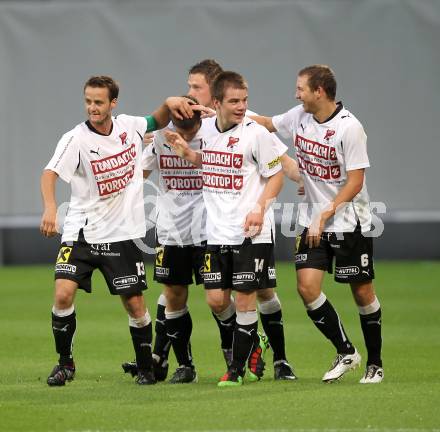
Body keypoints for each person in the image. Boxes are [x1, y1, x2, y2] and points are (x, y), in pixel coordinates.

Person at [40, 75, 197, 386]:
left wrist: (169, 103)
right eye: (88, 101)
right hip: (82, 232)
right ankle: (65, 364)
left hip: (122, 233)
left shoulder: (129, 126)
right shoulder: (76, 139)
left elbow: (156, 120)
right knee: (62, 293)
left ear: (113, 103)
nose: (92, 107)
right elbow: (50, 172)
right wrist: (50, 206)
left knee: (135, 304)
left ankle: (146, 369)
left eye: (99, 102)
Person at [251, 65, 383, 383]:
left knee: (362, 292)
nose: (297, 94)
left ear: (319, 91)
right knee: (307, 288)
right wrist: (225, 108)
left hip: (350, 221)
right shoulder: (299, 116)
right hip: (311, 221)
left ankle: (375, 364)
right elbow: (268, 124)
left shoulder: (350, 128)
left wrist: (326, 213)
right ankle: (346, 350)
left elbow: (355, 182)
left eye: (301, 89)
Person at [165, 71, 293, 386]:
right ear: (218, 102)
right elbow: (211, 163)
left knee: (247, 298)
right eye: (234, 101)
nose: (241, 106)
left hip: (250, 233)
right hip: (216, 232)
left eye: (244, 100)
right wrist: (187, 153)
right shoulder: (206, 130)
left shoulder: (256, 134)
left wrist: (259, 208)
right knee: (216, 301)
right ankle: (254, 341)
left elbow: (276, 175)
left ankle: (236, 370)